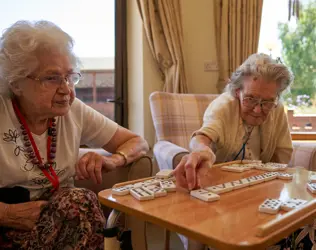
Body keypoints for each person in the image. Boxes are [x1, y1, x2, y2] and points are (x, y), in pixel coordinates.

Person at [0, 20, 149, 249]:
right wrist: (7, 213)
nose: (66, 89)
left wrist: (113, 159)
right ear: (17, 83)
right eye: (52, 78)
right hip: (8, 227)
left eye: (70, 77)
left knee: (80, 201)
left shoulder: (73, 110)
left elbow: (136, 142)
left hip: (65, 221)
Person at [174, 53, 295, 250]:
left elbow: (281, 155)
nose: (258, 110)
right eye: (250, 99)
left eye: (267, 102)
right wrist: (201, 150)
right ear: (237, 91)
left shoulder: (277, 110)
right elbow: (202, 137)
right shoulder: (223, 106)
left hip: (259, 191)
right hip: (219, 194)